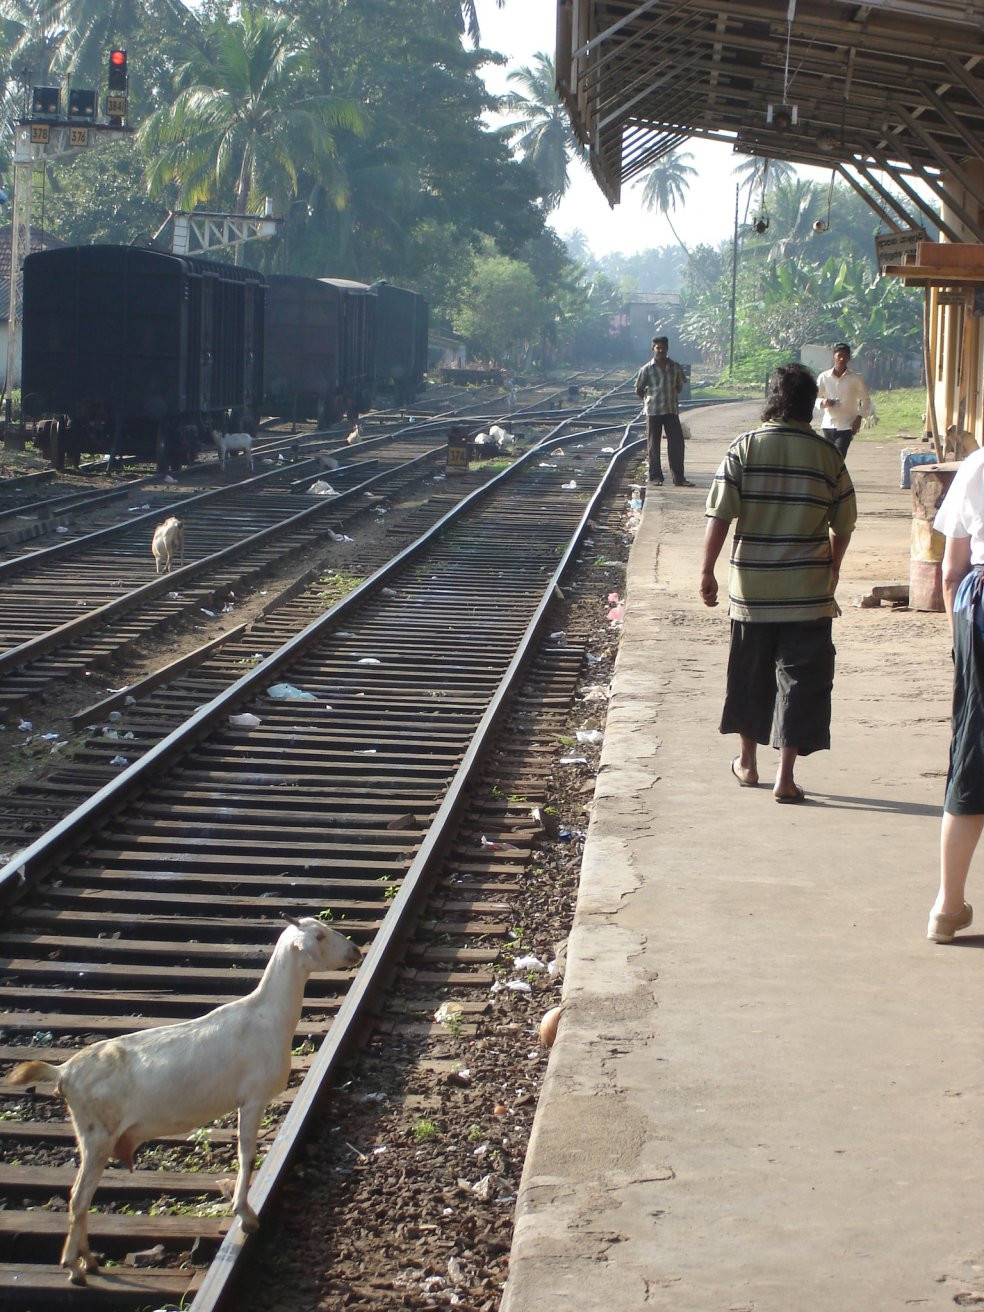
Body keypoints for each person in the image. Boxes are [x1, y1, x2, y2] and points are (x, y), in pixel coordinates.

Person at [700, 363, 857, 802]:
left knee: (750, 675)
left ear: (772, 399)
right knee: (801, 680)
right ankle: (785, 778)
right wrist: (834, 566)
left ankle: (748, 764)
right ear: (810, 404)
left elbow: (721, 515)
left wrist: (707, 570)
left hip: (753, 590)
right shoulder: (829, 456)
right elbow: (843, 523)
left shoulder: (744, 448)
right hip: (808, 592)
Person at [926, 447, 984, 942]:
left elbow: (951, 570)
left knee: (972, 752)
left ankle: (947, 906)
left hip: (980, 608)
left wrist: (959, 649)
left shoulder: (978, 464)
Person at [634, 336, 693, 487]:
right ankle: (655, 477)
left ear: (667, 348)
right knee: (653, 445)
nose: (660, 350)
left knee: (677, 445)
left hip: (671, 410)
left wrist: (670, 396)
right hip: (653, 411)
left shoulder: (675, 367)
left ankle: (679, 478)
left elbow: (679, 386)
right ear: (653, 349)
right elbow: (639, 389)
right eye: (657, 348)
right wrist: (649, 400)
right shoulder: (646, 369)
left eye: (663, 348)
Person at [816, 342, 873, 458]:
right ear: (834, 356)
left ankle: (835, 475)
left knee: (839, 456)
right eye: (839, 355)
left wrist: (859, 417)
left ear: (849, 358)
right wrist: (823, 403)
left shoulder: (856, 378)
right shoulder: (824, 377)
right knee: (828, 458)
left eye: (845, 356)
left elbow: (866, 400)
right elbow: (814, 398)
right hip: (828, 424)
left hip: (847, 425)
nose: (842, 359)